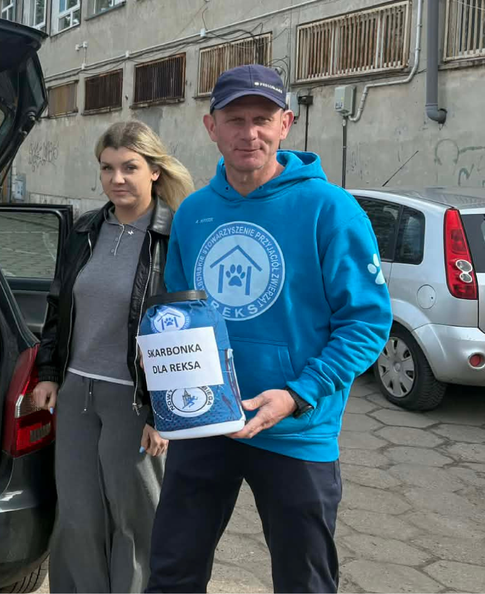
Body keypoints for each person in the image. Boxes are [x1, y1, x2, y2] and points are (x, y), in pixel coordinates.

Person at [145, 65, 392, 593]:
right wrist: (167, 399)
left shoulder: (331, 209)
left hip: (296, 432)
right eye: (235, 119)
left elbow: (367, 323)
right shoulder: (193, 212)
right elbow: (180, 319)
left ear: (286, 123)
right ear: (212, 127)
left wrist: (299, 395)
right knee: (171, 570)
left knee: (303, 581)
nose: (248, 132)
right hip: (207, 425)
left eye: (261, 119)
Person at [33, 120, 195, 593]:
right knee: (77, 517)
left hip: (135, 401)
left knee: (135, 521)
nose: (117, 179)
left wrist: (165, 411)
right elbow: (59, 304)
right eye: (107, 168)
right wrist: (47, 372)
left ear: (155, 173)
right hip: (77, 392)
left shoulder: (172, 236)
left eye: (130, 167)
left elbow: (185, 330)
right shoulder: (85, 229)